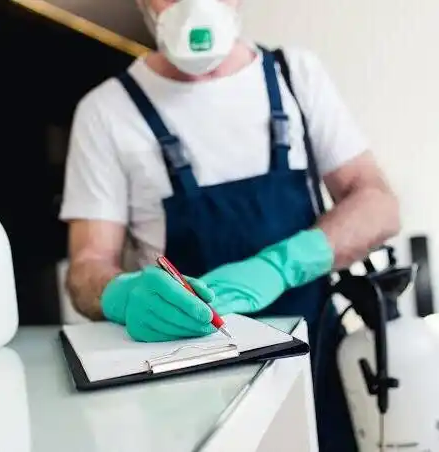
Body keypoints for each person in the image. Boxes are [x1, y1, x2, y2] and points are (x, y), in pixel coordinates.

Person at [59, 0, 400, 450]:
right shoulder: (106, 112)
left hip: (315, 367)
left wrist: (282, 265)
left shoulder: (294, 76)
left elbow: (378, 205)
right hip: (184, 394)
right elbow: (86, 267)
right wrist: (122, 295)